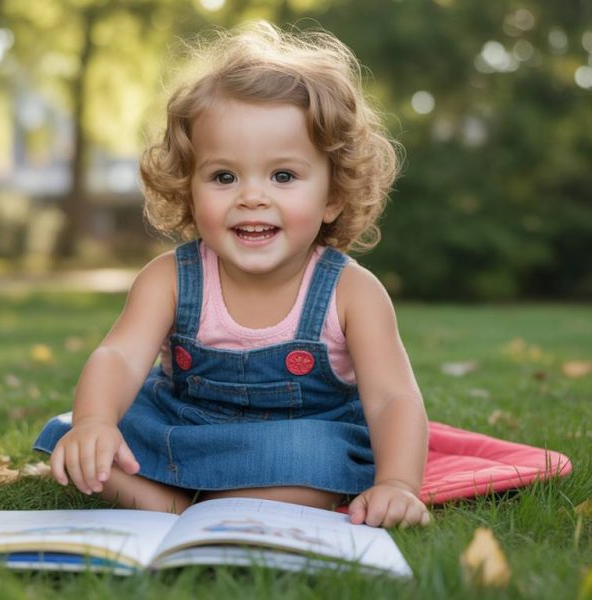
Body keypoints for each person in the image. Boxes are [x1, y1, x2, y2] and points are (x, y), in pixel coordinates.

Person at [35, 21, 431, 528]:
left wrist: (397, 484)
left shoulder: (351, 292)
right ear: (188, 188)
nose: (251, 196)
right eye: (224, 176)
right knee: (80, 445)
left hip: (294, 444)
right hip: (182, 430)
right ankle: (195, 508)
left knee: (318, 456)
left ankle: (178, 506)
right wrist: (94, 423)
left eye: (283, 176)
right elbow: (119, 356)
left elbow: (393, 397)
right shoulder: (170, 279)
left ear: (333, 196)